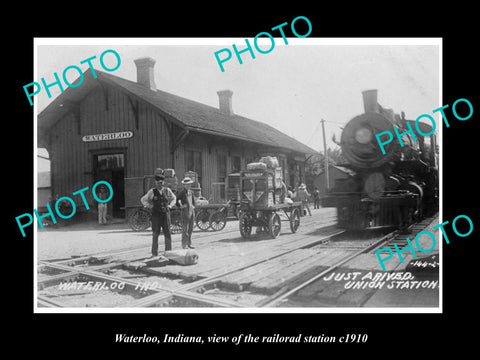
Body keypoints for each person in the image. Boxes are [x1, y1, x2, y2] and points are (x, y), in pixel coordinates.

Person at [141, 169, 177, 256]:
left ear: (163, 182)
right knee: (155, 235)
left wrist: (170, 206)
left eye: (161, 183)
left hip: (165, 215)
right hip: (156, 216)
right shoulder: (152, 191)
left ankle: (168, 252)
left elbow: (174, 198)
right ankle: (154, 254)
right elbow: (143, 200)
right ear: (155, 183)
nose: (159, 184)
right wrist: (149, 206)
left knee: (167, 234)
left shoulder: (167, 190)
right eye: (157, 183)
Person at [176, 177, 196, 249]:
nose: (188, 186)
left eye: (189, 184)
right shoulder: (181, 193)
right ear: (184, 185)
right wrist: (181, 206)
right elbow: (177, 202)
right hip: (185, 213)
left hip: (191, 212)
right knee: (185, 230)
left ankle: (189, 244)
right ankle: (184, 245)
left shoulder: (191, 192)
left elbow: (193, 202)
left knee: (190, 229)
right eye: (187, 185)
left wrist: (193, 206)